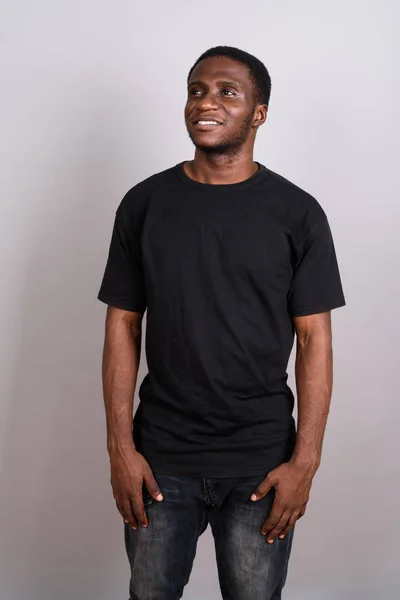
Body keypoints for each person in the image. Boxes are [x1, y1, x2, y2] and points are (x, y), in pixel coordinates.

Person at [97, 45, 346, 600]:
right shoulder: (144, 204)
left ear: (258, 113)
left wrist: (304, 462)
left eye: (227, 92)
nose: (205, 102)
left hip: (260, 463)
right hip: (160, 461)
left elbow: (314, 340)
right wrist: (120, 449)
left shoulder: (297, 213)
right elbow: (121, 326)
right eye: (196, 90)